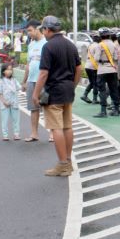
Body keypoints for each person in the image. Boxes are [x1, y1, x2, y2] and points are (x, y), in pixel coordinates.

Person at [32, 16, 82, 177]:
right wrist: (72, 85)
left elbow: (43, 73)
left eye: (43, 29)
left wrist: (35, 93)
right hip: (68, 90)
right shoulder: (70, 45)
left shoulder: (48, 47)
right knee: (67, 126)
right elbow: (79, 69)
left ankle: (62, 164)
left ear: (47, 29)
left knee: (56, 128)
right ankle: (68, 161)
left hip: (54, 91)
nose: (43, 32)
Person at [22, 20, 47, 142]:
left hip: (44, 80)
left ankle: (52, 133)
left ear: (38, 29)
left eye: (30, 30)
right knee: (33, 108)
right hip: (31, 80)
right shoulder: (31, 45)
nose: (29, 33)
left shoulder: (46, 43)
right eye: (28, 31)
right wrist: (24, 81)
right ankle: (34, 134)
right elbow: (28, 64)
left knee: (48, 107)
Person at [92, 27, 120, 118]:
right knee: (113, 89)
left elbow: (96, 58)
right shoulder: (114, 44)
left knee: (102, 91)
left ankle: (103, 111)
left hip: (102, 70)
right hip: (112, 70)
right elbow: (116, 58)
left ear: (100, 36)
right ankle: (116, 110)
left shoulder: (99, 45)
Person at [0, 63, 21, 141]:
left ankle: (16, 134)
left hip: (14, 102)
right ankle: (5, 135)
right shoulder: (1, 81)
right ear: (3, 71)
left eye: (11, 69)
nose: (10, 71)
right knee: (5, 119)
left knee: (16, 119)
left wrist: (24, 85)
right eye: (8, 69)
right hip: (5, 104)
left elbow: (19, 88)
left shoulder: (14, 80)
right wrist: (4, 102)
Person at [80, 31, 101, 104]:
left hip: (87, 65)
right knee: (95, 83)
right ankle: (95, 99)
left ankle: (85, 95)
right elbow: (97, 58)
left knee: (92, 82)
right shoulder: (97, 46)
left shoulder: (91, 45)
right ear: (98, 38)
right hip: (93, 66)